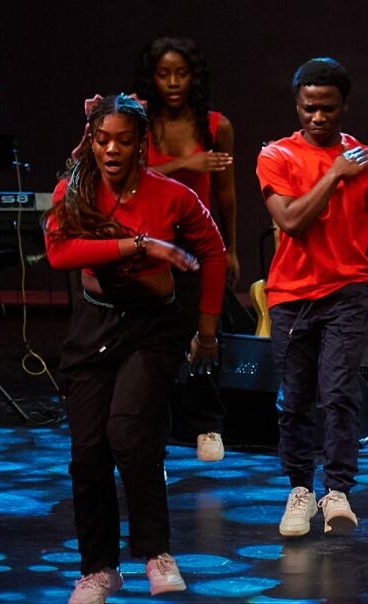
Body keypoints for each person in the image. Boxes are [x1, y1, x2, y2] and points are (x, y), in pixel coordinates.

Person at [44, 94, 226, 604]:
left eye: (123, 140)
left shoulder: (172, 196)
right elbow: (60, 252)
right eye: (103, 140)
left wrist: (208, 329)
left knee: (129, 433)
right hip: (94, 325)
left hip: (154, 327)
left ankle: (156, 553)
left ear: (141, 144)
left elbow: (211, 251)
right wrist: (140, 245)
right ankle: (98, 569)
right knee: (87, 454)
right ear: (91, 142)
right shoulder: (74, 193)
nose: (112, 150)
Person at [256, 58, 368, 537]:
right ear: (297, 106)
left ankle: (337, 489)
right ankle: (300, 489)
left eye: (327, 108)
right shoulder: (276, 156)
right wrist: (334, 174)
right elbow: (291, 221)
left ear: (344, 108)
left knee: (339, 393)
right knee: (294, 400)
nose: (317, 118)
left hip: (346, 292)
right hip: (290, 295)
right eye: (308, 108)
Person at [132, 36, 238, 462]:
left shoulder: (215, 125)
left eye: (182, 73)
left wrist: (230, 249)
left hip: (198, 239)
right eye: (164, 74)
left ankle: (206, 425)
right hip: (149, 240)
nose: (173, 82)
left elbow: (226, 194)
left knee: (204, 333)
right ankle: (154, 426)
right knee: (150, 334)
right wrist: (184, 165)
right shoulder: (137, 119)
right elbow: (128, 172)